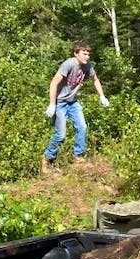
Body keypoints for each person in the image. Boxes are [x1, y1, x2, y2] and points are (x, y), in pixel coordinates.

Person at [42, 40, 109, 173]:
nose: (87, 57)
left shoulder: (87, 65)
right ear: (76, 53)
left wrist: (102, 96)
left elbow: (95, 80)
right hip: (60, 103)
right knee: (60, 135)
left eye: (88, 54)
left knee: (82, 127)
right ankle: (46, 159)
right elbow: (54, 83)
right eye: (84, 54)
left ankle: (78, 156)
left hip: (72, 102)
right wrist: (52, 104)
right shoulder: (69, 64)